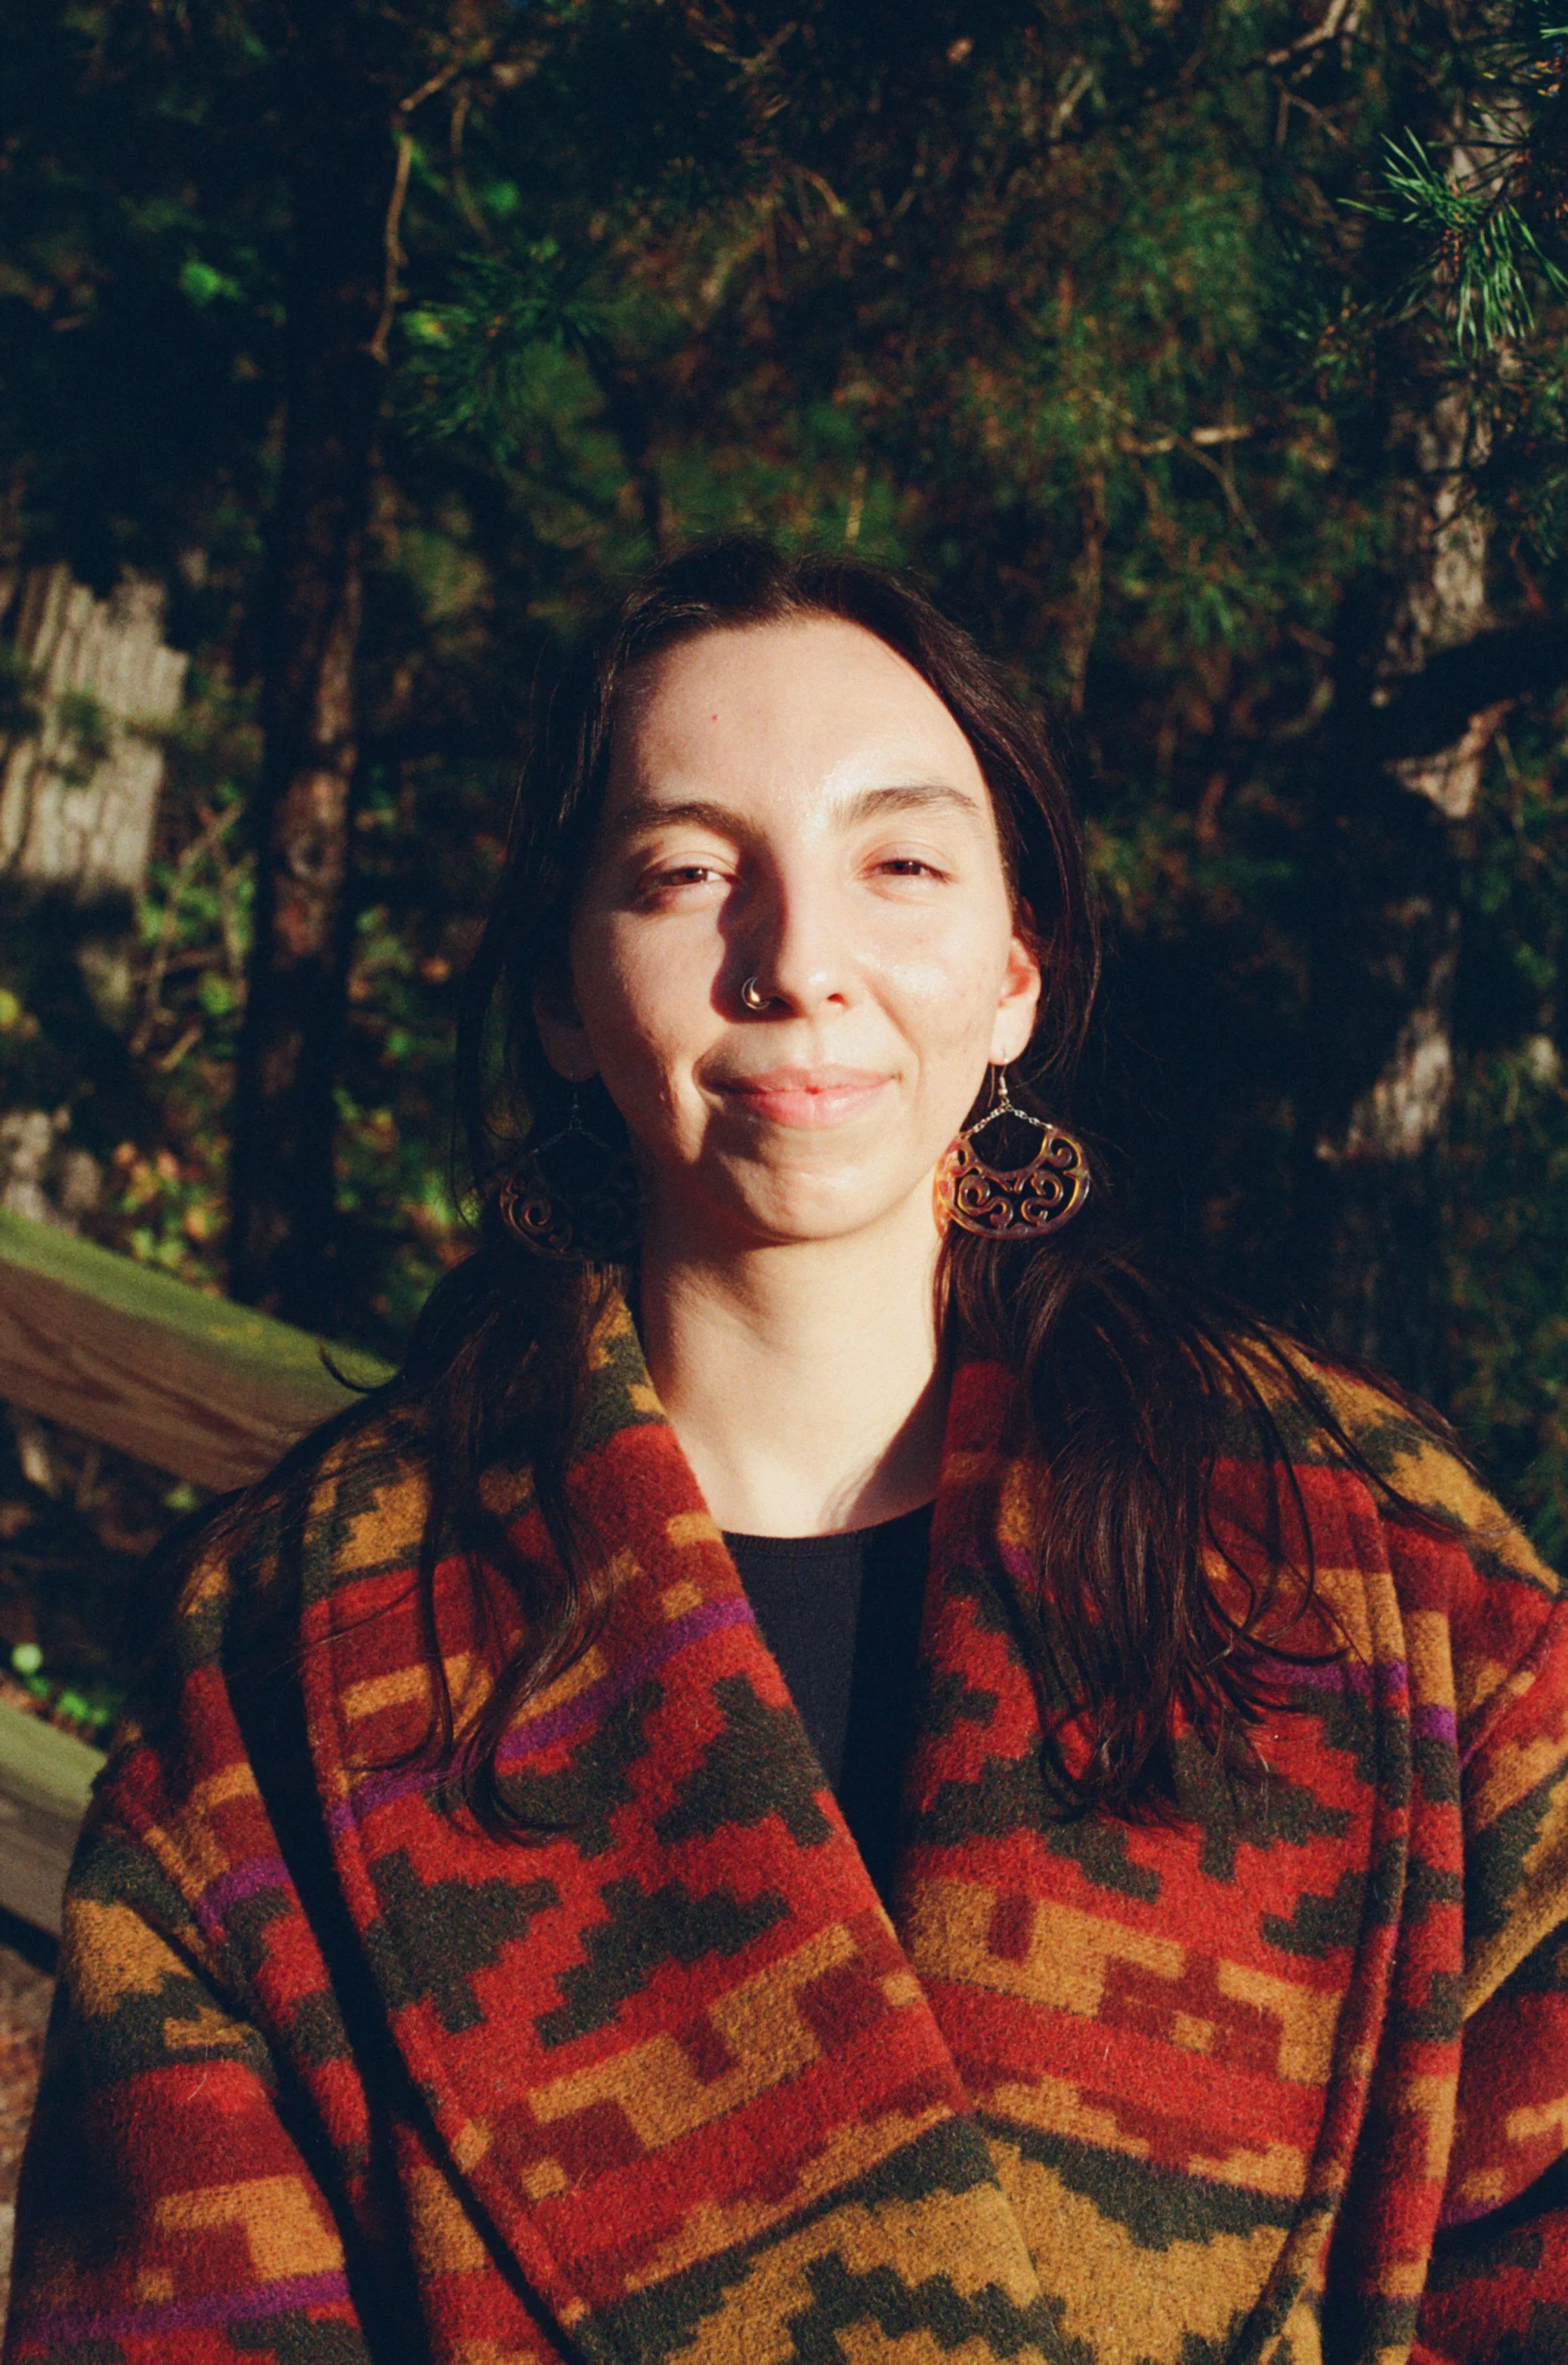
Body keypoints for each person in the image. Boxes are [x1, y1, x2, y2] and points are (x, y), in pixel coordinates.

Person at [5, 539, 1566, 2365]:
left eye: (896, 861)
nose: (798, 960)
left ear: (1013, 973)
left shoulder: (1372, 1569)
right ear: (564, 996)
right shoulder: (294, 1663)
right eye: (685, 872)